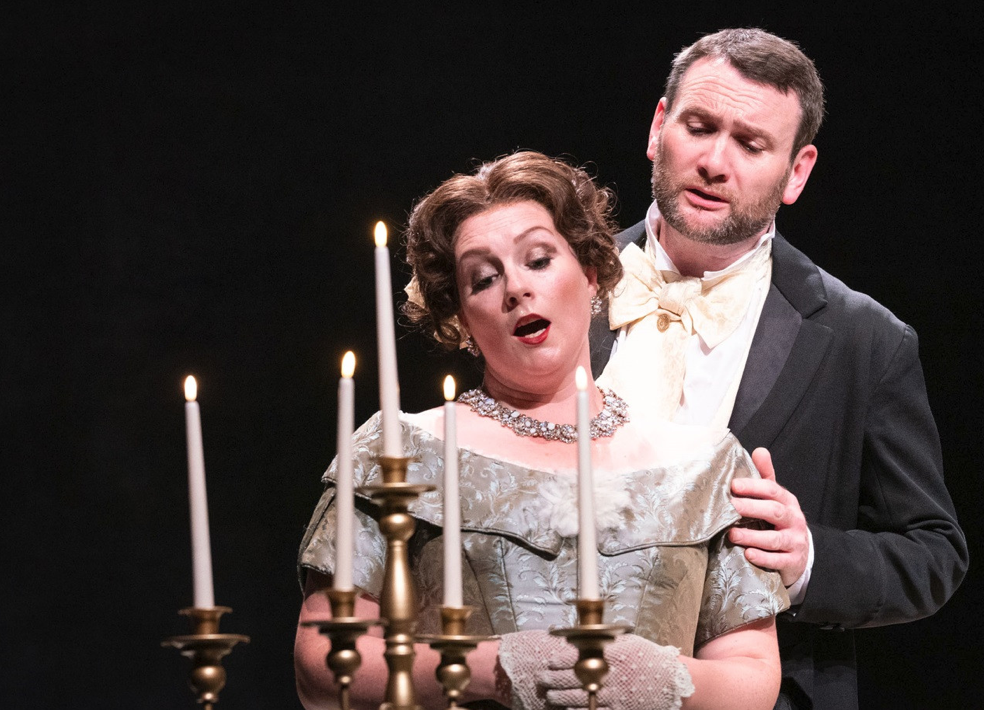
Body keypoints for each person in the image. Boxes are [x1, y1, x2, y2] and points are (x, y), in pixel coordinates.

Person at [295, 151, 791, 710]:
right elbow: (321, 664)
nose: (515, 289)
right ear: (460, 317)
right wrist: (491, 667)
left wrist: (665, 678)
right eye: (483, 279)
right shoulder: (400, 452)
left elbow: (753, 676)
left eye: (538, 260)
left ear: (592, 273)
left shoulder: (704, 465)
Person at [591, 28, 968, 710]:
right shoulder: (559, 286)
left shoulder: (865, 340)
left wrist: (808, 558)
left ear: (797, 172)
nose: (715, 162)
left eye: (751, 143)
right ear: (658, 127)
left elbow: (933, 553)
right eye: (699, 127)